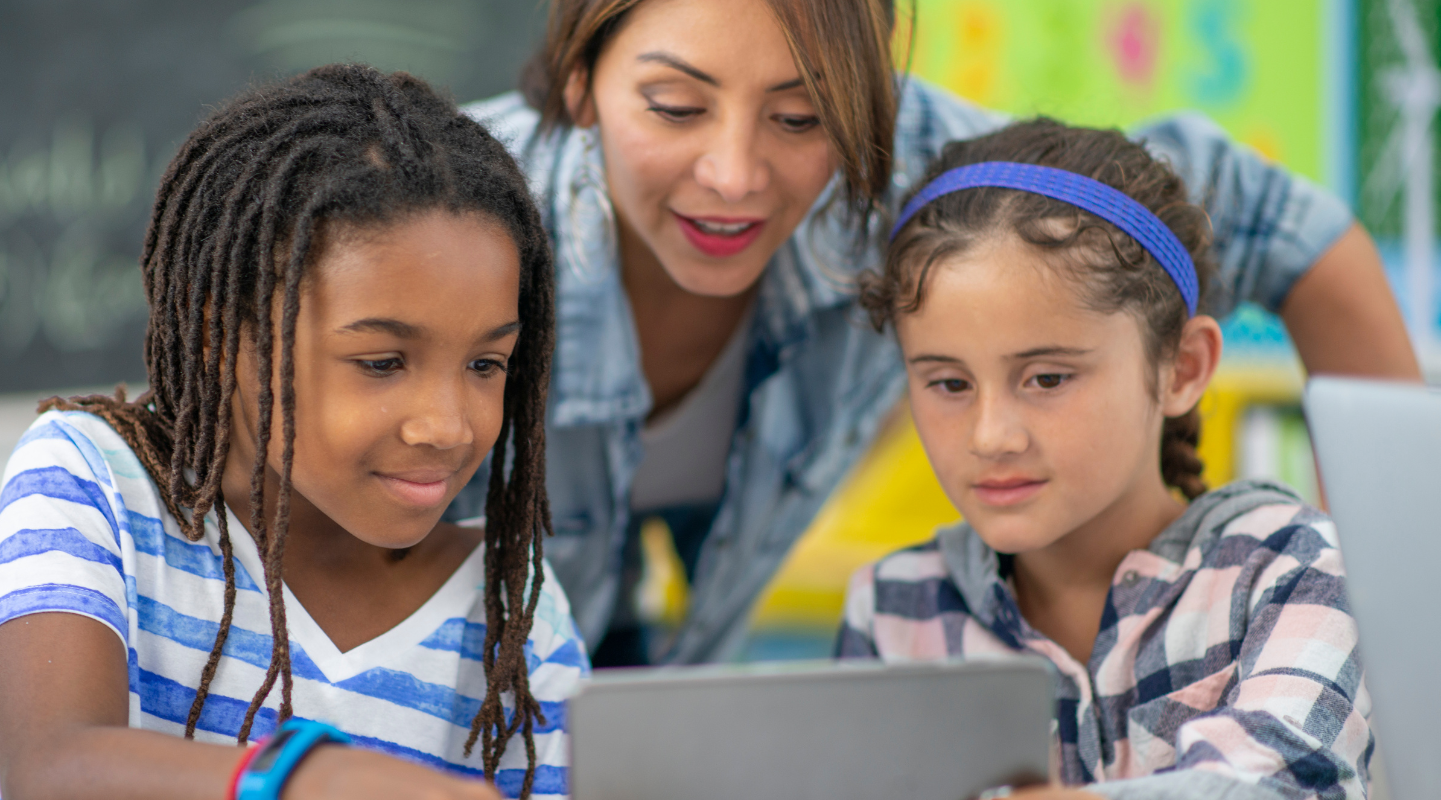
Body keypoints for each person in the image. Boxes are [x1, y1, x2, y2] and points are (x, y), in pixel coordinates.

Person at [452, 0, 1419, 667]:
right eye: (675, 107)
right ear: (580, 80)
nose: (735, 173)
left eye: (801, 117)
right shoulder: (445, 217)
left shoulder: (918, 170)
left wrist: (1390, 614)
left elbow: (1281, 227)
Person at [0, 66, 586, 800]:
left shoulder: (513, 605)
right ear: (223, 335)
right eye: (381, 362)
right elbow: (53, 770)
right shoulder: (94, 481)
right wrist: (313, 778)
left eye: (486, 363)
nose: (445, 426)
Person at [838, 119, 1370, 798]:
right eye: (948, 384)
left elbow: (1281, 787)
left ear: (1180, 368)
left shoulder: (1295, 570)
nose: (990, 436)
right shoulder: (888, 611)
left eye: (1048, 378)